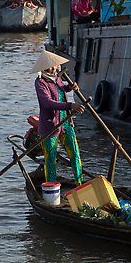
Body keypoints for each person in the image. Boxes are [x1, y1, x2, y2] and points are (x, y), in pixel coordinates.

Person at [31, 50, 86, 184]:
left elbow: (59, 91)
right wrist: (70, 106)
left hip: (66, 124)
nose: (52, 69)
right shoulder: (40, 82)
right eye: (49, 67)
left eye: (53, 66)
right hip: (50, 126)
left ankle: (79, 183)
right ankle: (51, 188)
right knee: (50, 159)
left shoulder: (58, 78)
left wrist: (69, 88)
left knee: (75, 154)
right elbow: (48, 103)